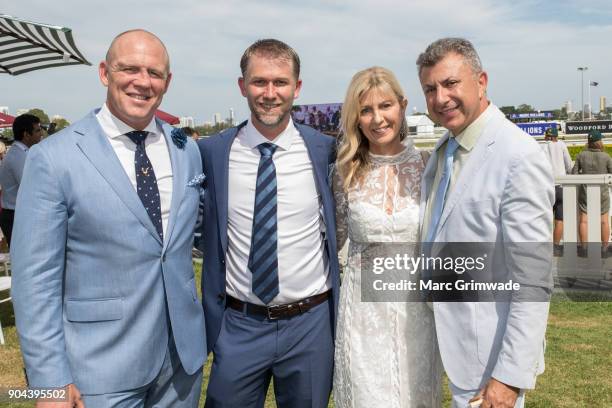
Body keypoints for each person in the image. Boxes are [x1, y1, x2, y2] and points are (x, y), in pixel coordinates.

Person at [11, 29, 206, 408]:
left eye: (154, 72)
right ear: (104, 72)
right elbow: (34, 280)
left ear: (168, 81)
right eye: (129, 69)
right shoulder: (53, 158)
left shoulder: (185, 150)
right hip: (98, 368)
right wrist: (49, 383)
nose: (142, 82)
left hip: (181, 364)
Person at [198, 38, 339, 408]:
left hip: (309, 325)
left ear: (297, 87)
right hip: (240, 324)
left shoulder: (324, 150)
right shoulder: (213, 152)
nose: (270, 93)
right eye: (259, 82)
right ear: (242, 86)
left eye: (280, 82)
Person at [417, 38, 554, 408]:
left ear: (481, 81)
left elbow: (533, 279)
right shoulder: (445, 150)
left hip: (488, 358)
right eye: (430, 89)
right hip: (445, 345)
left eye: (450, 84)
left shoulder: (518, 156)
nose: (440, 98)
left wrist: (509, 377)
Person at [333, 66, 441, 407]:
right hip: (363, 318)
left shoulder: (429, 166)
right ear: (356, 118)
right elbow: (332, 241)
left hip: (417, 315)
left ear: (403, 106)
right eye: (366, 110)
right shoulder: (344, 171)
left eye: (385, 106)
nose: (377, 118)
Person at [0, 113, 43, 246]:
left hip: (17, 214)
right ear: (26, 134)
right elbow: (32, 186)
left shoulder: (22, 153)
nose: (41, 133)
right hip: (16, 215)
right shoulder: (18, 156)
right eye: (37, 130)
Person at [571, 129, 612, 250]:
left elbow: (574, 174)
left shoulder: (580, 155)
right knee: (604, 220)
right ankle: (604, 247)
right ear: (599, 142)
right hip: (602, 193)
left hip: (585, 192)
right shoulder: (606, 156)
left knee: (584, 220)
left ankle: (584, 247)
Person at [541, 126, 572, 254]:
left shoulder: (540, 146)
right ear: (556, 136)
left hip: (545, 187)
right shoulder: (562, 145)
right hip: (561, 187)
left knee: (545, 219)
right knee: (560, 219)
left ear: (546, 136)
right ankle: (555, 245)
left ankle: (544, 246)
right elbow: (569, 165)